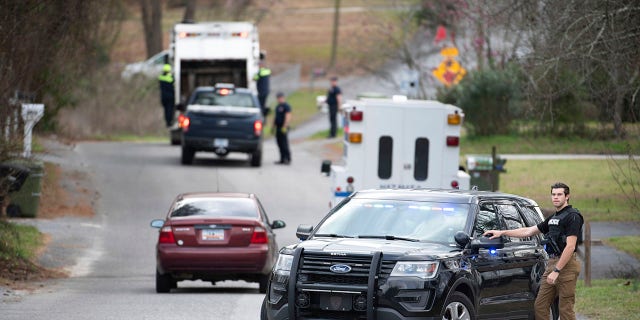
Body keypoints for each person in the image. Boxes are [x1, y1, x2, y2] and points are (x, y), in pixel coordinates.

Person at [483, 182, 584, 320]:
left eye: (559, 194)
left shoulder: (573, 216)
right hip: (552, 263)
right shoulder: (554, 218)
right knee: (540, 306)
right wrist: (502, 232)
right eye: (553, 194)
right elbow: (529, 231)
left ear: (567, 196)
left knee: (565, 309)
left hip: (566, 265)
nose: (555, 197)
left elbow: (570, 246)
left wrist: (557, 271)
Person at [273, 92, 292, 165]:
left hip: (283, 127)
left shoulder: (286, 106)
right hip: (278, 127)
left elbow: (288, 116)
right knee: (279, 143)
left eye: (280, 97)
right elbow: (276, 117)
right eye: (278, 98)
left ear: (283, 98)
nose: (279, 99)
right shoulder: (278, 106)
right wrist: (273, 126)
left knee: (284, 143)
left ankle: (287, 158)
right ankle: (282, 158)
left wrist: (285, 126)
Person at [254, 52, 271, 117]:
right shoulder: (267, 71)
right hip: (266, 91)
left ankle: (262, 116)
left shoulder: (260, 72)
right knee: (263, 104)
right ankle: (264, 115)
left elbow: (254, 78)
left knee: (260, 105)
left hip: (261, 91)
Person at [158, 63, 175, 128]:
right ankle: (169, 122)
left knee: (165, 110)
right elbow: (173, 81)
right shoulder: (170, 77)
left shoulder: (161, 77)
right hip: (170, 97)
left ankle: (167, 122)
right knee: (169, 110)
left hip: (163, 97)